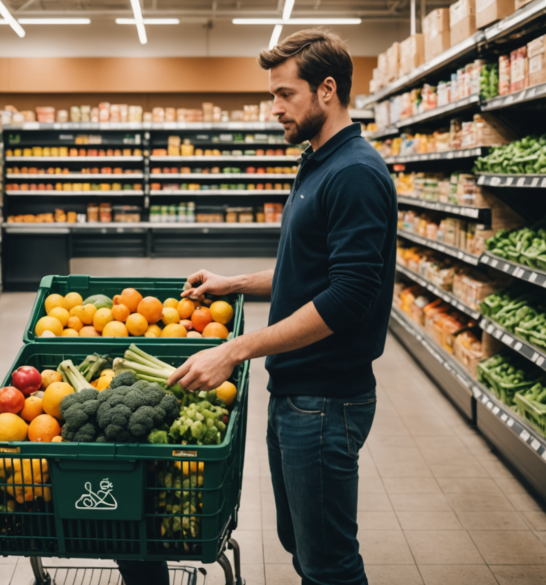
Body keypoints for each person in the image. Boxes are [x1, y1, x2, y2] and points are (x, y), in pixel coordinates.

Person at [160, 28, 393, 585]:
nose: (274, 109)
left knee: (328, 562)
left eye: (285, 94)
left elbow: (345, 299)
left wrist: (235, 351)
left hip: (325, 400)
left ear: (327, 90)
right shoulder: (317, 162)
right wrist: (230, 284)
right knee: (302, 546)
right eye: (273, 95)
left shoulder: (355, 173)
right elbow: (305, 274)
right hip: (297, 393)